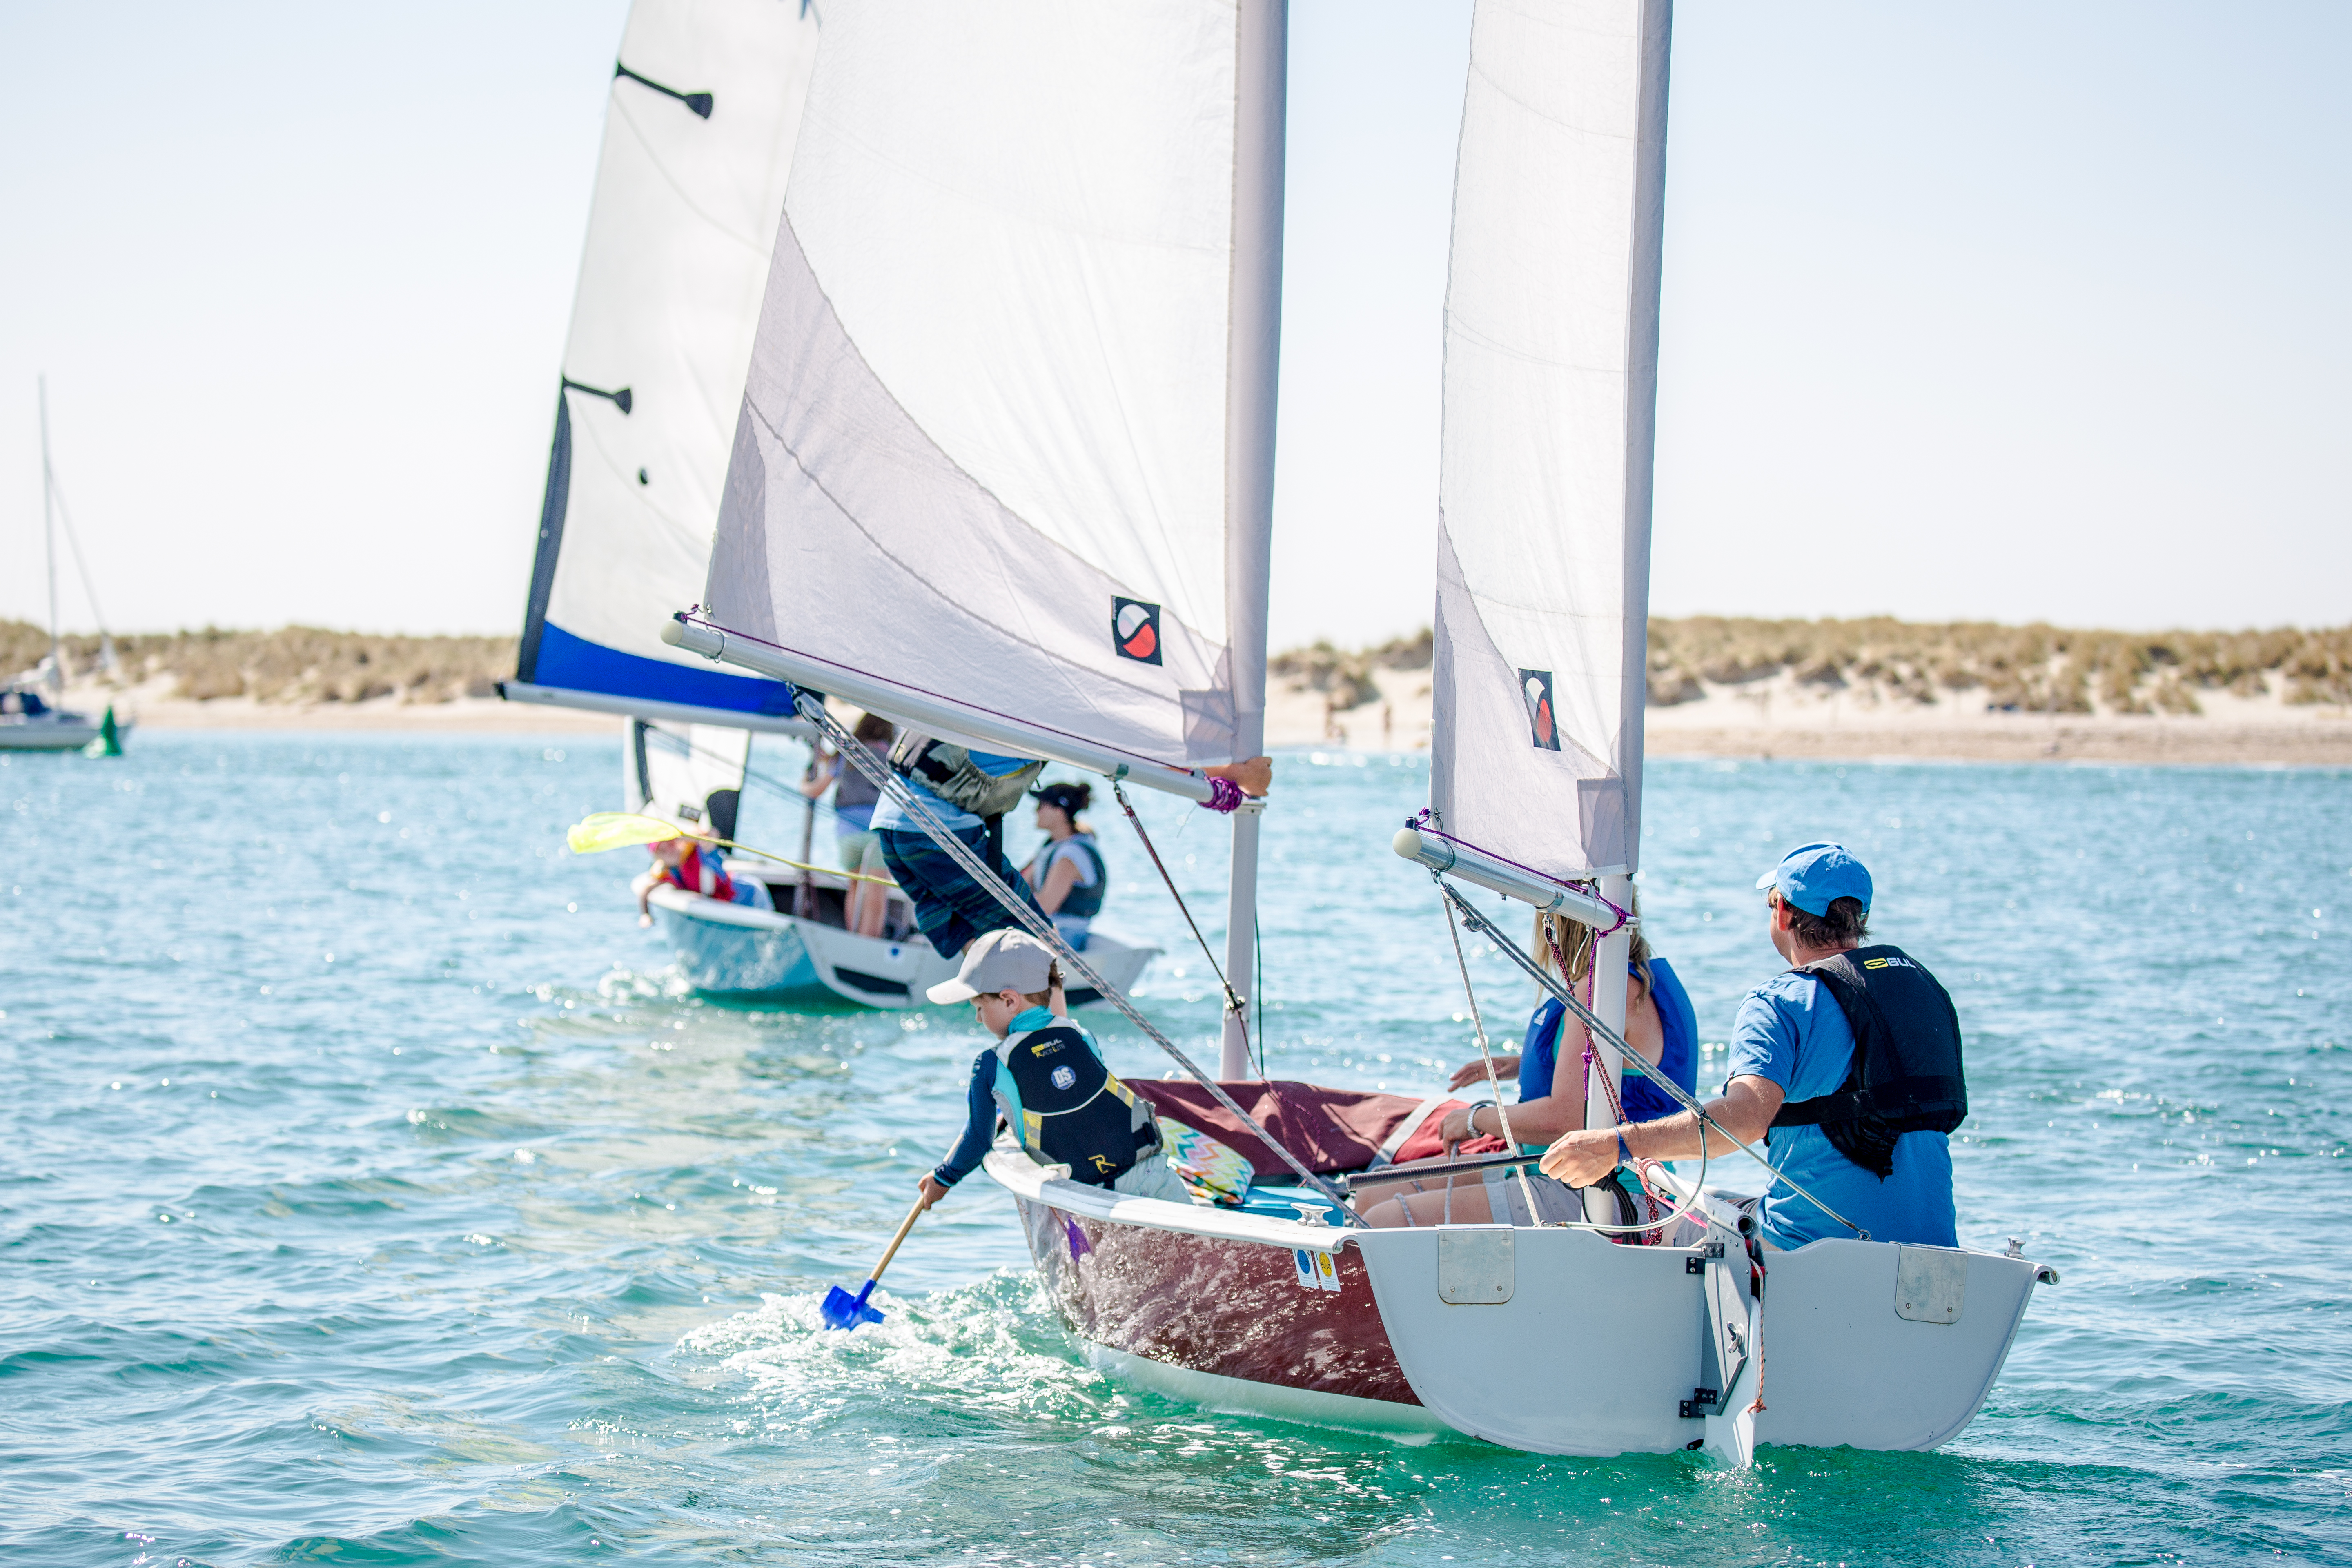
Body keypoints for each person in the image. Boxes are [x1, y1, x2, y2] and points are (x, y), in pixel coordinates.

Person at [1541, 842, 1964, 1250]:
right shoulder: (1927, 992)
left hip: (1811, 1249)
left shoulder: (1780, 1001)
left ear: (1782, 911)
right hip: (1935, 1247)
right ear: (1859, 918)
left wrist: (1616, 1144)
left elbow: (1743, 1121)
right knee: (1725, 1204)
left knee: (1665, 1225)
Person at [1363, 895, 1699, 1229]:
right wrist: (1522, 1065)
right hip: (1561, 1171)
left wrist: (1474, 1120)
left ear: (1559, 921)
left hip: (1607, 1191)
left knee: (1384, 1219)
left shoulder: (1602, 989)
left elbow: (1564, 1120)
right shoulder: (1638, 981)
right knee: (1372, 1191)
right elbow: (1616, 1069)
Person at [876, 731, 1271, 962]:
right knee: (1034, 945)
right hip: (938, 828)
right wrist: (1233, 775)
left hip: (892, 823)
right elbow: (1139, 755)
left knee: (970, 939)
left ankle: (1006, 1037)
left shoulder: (995, 691)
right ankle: (1055, 1055)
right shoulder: (1051, 712)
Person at [915, 929, 1192, 1210]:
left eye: (979, 1007)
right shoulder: (1080, 1034)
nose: (977, 1018)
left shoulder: (990, 1063)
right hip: (1153, 1173)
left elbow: (978, 1139)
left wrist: (942, 1180)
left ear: (1010, 1000)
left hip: (1092, 1197)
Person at [801, 712, 895, 938]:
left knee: (854, 888)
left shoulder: (847, 753)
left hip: (846, 834)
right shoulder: (892, 756)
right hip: (877, 833)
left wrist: (804, 783)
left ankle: (854, 936)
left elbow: (816, 791)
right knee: (876, 891)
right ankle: (869, 941)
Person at [1021, 781, 1109, 950]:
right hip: (1050, 933)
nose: (1035, 811)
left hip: (1064, 937)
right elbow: (1023, 884)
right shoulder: (1051, 848)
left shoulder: (1070, 856)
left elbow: (1046, 906)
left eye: (1041, 806)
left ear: (1059, 812)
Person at [634, 829, 772, 924]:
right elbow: (645, 891)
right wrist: (645, 915)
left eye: (671, 844)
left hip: (751, 894)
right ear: (658, 857)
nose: (670, 851)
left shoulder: (699, 850)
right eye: (663, 851)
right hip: (727, 906)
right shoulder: (667, 873)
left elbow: (713, 833)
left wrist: (686, 837)